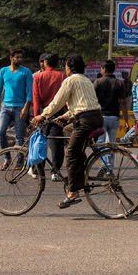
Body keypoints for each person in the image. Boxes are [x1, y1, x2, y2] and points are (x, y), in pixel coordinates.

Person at [32, 54, 103, 209]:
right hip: (95, 118)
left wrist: (42, 115)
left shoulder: (70, 80)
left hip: (85, 121)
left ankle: (72, 192)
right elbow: (80, 105)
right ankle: (81, 175)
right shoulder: (86, 81)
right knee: (73, 142)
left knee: (70, 153)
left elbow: (57, 101)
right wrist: (64, 117)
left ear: (69, 67)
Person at [0, 49, 33, 164]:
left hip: (20, 108)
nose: (19, 59)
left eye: (21, 57)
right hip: (5, 107)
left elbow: (30, 91)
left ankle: (20, 161)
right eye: (17, 57)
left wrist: (26, 107)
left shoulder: (26, 72)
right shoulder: (3, 71)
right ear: (11, 58)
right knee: (0, 133)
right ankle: (7, 157)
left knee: (19, 137)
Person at [32, 53, 66, 180]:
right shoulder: (62, 76)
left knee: (41, 142)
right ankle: (55, 171)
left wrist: (36, 115)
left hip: (42, 113)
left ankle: (39, 170)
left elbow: (36, 99)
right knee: (57, 144)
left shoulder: (38, 77)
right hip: (59, 113)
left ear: (45, 62)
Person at [94, 69, 122, 144]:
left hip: (101, 116)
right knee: (112, 142)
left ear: (104, 69)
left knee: (101, 141)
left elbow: (93, 99)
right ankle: (110, 156)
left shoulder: (98, 82)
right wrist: (125, 118)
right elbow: (123, 102)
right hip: (114, 116)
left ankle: (102, 155)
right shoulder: (119, 82)